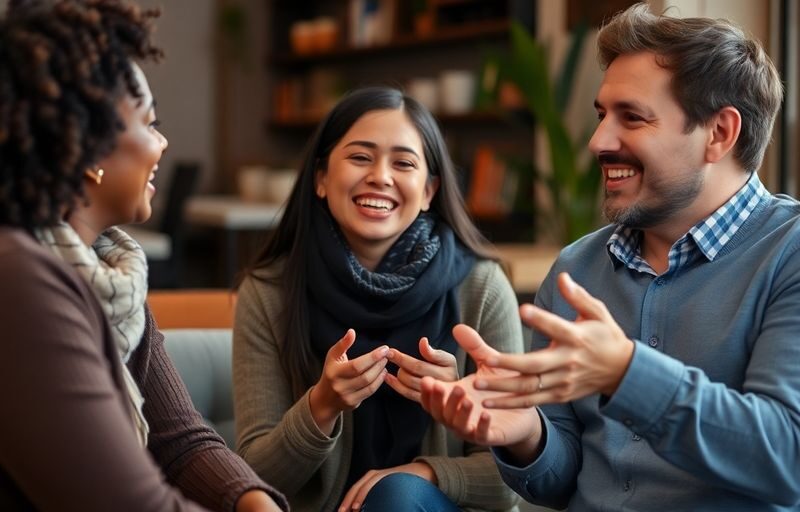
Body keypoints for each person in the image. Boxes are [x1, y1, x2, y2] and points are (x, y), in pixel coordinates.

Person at [420, 3, 800, 511]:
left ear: (719, 133)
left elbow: (788, 456)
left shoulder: (789, 252)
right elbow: (561, 480)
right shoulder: (576, 268)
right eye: (602, 115)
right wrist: (525, 433)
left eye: (632, 118)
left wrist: (626, 373)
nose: (598, 141)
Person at [0, 1, 287, 511]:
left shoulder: (110, 277)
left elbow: (182, 442)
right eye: (150, 124)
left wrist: (255, 502)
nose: (162, 142)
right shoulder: (19, 282)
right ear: (91, 149)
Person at [232, 86, 524, 512]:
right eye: (360, 157)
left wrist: (427, 466)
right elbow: (250, 478)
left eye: (403, 163)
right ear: (320, 178)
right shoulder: (269, 293)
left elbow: (515, 481)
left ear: (429, 191)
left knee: (398, 497)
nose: (381, 176)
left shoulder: (482, 287)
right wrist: (321, 406)